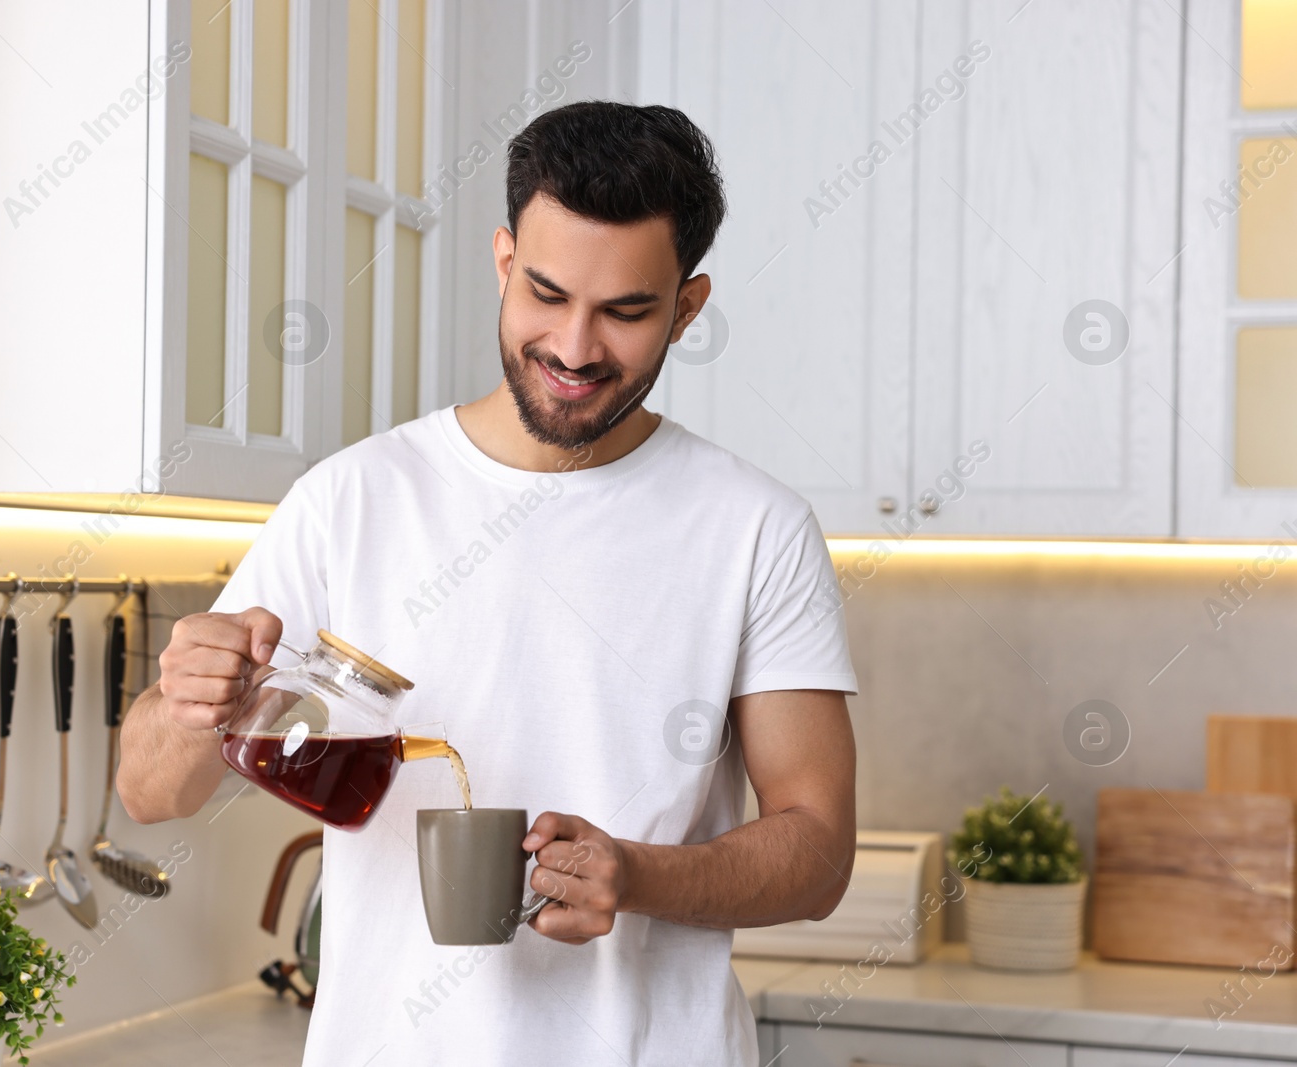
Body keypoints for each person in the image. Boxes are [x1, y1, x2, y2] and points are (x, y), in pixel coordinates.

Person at [117, 99, 858, 1066]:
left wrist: (634, 875)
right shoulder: (351, 500)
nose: (576, 347)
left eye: (627, 311)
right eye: (546, 293)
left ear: (688, 305)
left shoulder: (755, 528)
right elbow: (148, 794)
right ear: (505, 260)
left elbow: (817, 852)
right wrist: (185, 707)